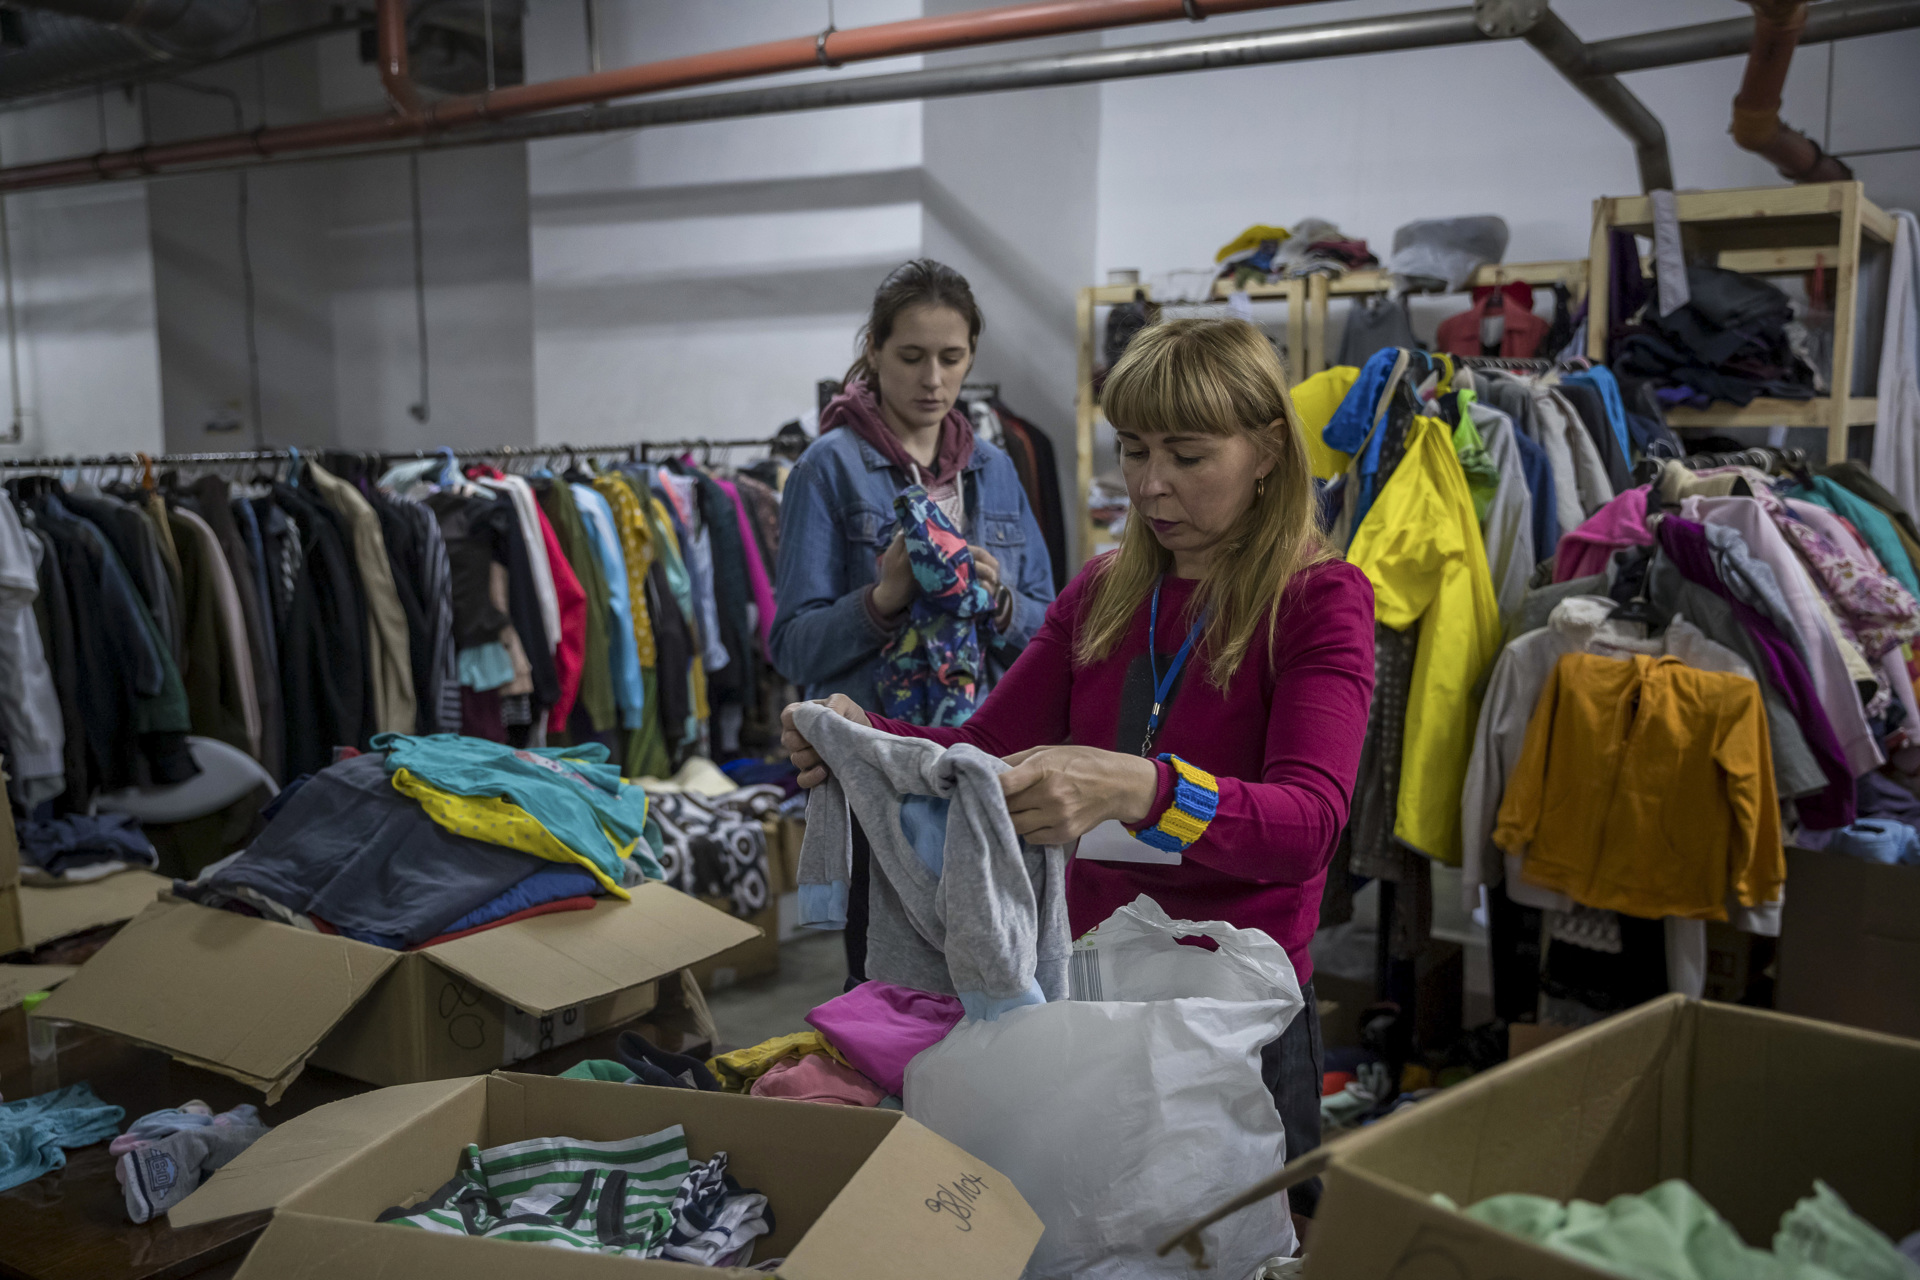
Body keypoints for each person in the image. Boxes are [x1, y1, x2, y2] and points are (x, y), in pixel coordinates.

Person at [781, 316, 1376, 1218]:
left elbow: (1306, 826)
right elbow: (982, 750)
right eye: (1134, 450)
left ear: (1265, 451)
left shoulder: (1319, 601)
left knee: (1234, 1242)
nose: (1149, 484)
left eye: (1187, 455)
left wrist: (1138, 788)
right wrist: (873, 734)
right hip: (1085, 994)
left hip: (1231, 1015)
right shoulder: (1104, 591)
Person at [770, 259, 1056, 720]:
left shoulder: (996, 468)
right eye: (911, 357)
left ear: (972, 354)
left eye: (951, 358)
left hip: (982, 753)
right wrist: (882, 600)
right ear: (874, 349)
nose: (933, 379)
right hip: (870, 754)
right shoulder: (826, 468)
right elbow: (792, 650)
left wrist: (1001, 603)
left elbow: (1054, 635)